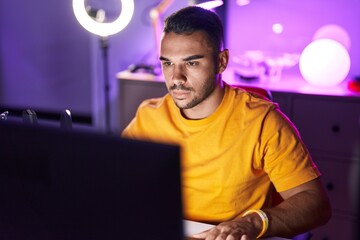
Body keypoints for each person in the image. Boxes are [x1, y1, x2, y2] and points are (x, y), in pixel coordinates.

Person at [122, 6, 331, 240]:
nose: (176, 78)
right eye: (168, 63)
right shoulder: (148, 116)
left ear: (221, 62)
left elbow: (316, 204)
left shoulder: (262, 121)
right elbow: (113, 180)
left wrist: (253, 223)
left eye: (191, 63)